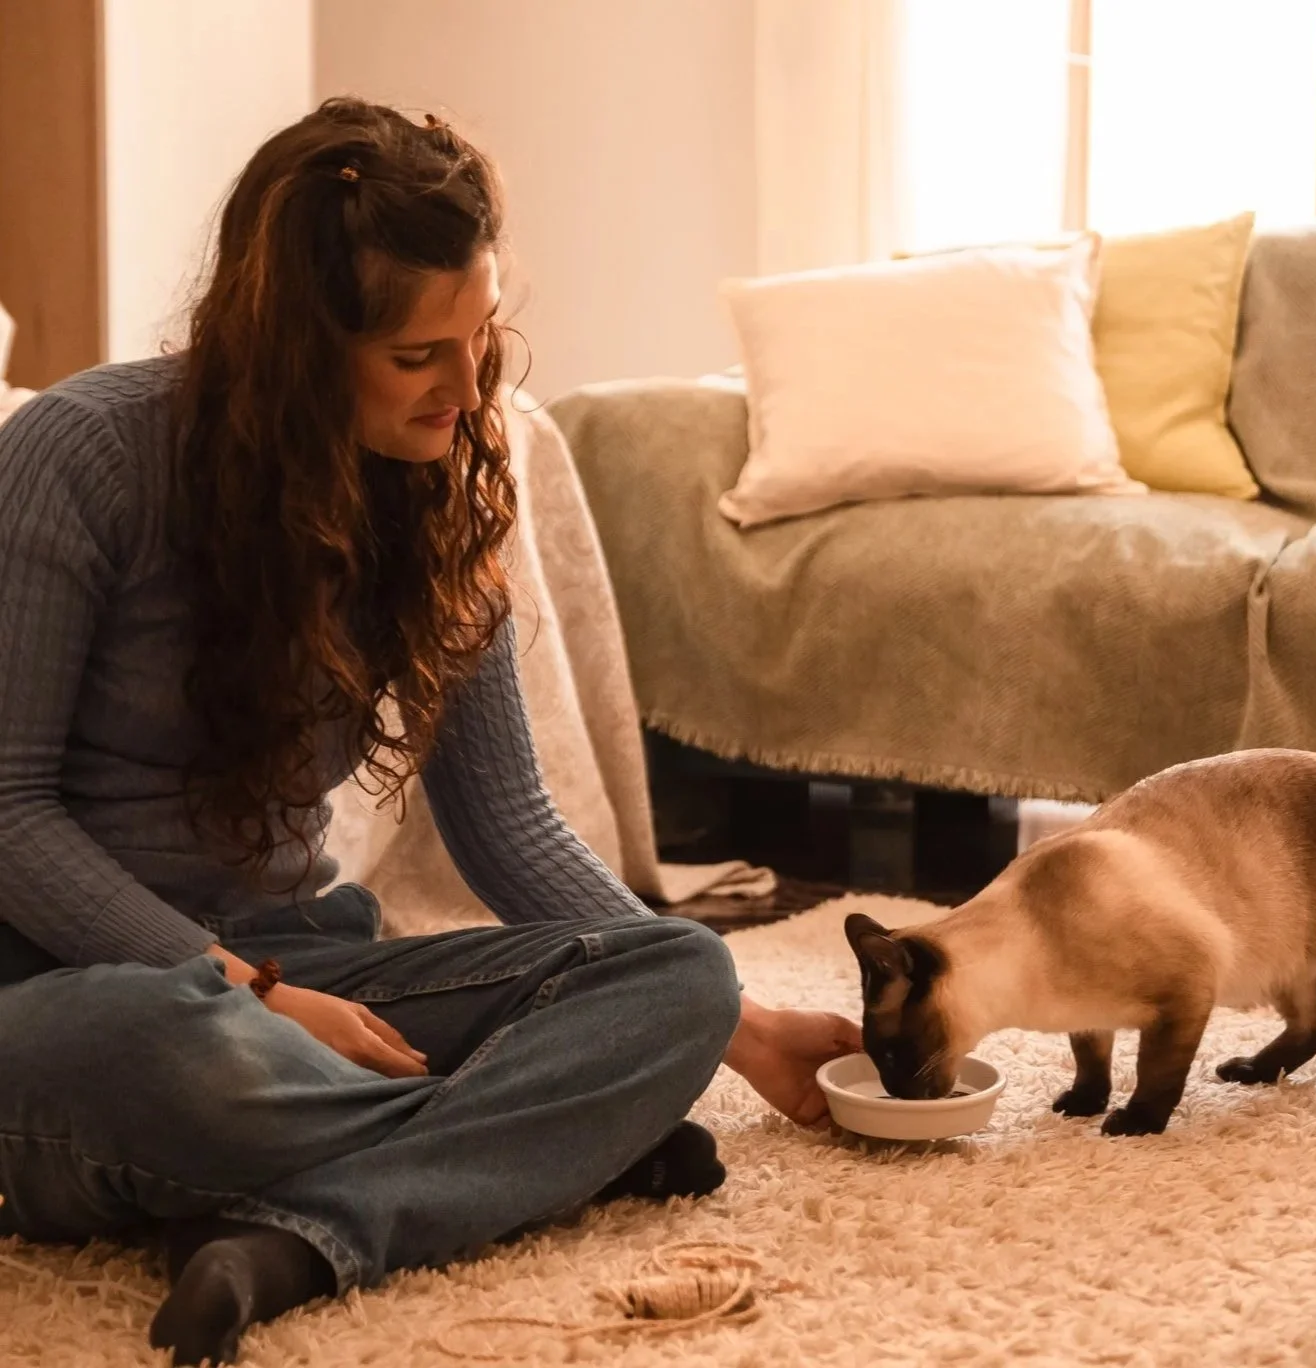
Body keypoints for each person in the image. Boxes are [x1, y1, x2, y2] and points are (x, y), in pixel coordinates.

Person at [0, 98, 861, 1366]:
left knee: (677, 974)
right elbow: (8, 813)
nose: (470, 391)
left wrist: (736, 1031)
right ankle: (530, 1148)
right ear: (296, 350)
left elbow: (507, 824)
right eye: (419, 357)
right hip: (79, 999)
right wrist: (254, 993)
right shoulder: (78, 457)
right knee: (175, 1053)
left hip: (310, 977)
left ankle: (296, 1234)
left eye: (481, 338)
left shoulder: (435, 490)